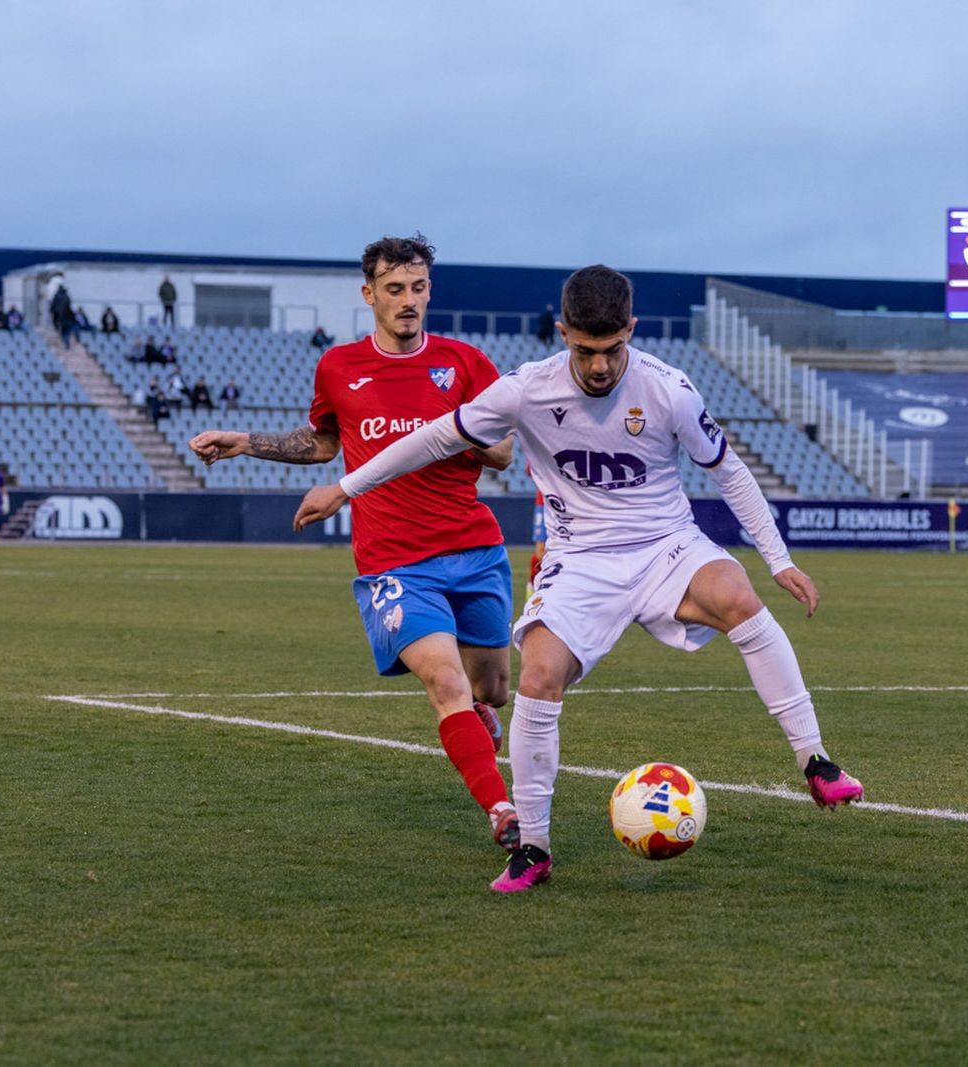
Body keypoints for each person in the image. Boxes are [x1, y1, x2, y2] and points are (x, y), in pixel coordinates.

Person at [295, 264, 865, 895]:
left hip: (665, 546)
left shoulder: (669, 388)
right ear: (563, 332)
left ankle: (816, 760)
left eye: (613, 349)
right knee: (537, 678)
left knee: (740, 599)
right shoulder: (525, 390)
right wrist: (344, 488)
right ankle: (532, 848)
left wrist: (778, 558)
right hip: (580, 559)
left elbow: (729, 473)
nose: (599, 367)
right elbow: (432, 440)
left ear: (632, 331)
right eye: (585, 350)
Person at [190, 233, 522, 855]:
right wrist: (247, 441)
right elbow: (321, 442)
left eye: (418, 288)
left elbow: (503, 452)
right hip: (395, 561)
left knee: (492, 688)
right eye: (394, 290)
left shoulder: (466, 363)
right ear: (369, 294)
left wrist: (441, 434)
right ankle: (501, 809)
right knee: (445, 685)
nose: (408, 301)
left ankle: (481, 724)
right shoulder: (339, 368)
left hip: (476, 551)